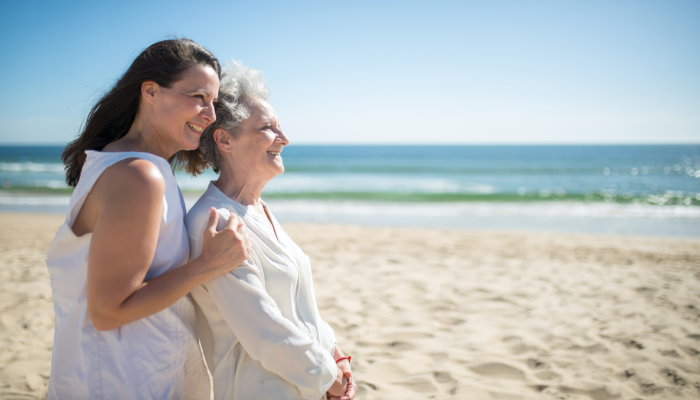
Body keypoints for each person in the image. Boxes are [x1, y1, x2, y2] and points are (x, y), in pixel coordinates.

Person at [46, 39, 251, 399]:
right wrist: (208, 264)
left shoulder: (129, 165)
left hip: (131, 371)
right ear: (151, 91)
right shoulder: (139, 176)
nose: (210, 114)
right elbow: (108, 311)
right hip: (119, 380)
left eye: (213, 103)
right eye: (198, 97)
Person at [184, 61, 358, 400]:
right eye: (268, 127)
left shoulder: (258, 209)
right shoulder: (215, 222)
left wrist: (336, 352)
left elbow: (300, 304)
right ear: (225, 140)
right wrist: (328, 378)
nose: (285, 139)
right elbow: (264, 330)